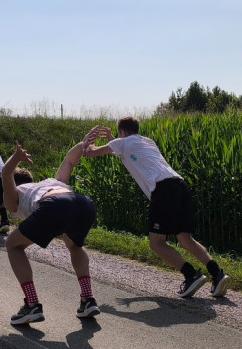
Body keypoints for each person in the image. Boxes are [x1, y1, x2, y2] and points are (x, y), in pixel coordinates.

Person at [84, 117, 229, 298]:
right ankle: (217, 274)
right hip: (179, 185)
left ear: (122, 132)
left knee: (157, 243)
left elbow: (90, 153)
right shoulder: (146, 141)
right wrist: (113, 139)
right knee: (185, 239)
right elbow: (126, 151)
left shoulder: (122, 143)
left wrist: (86, 142)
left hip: (163, 189)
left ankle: (191, 275)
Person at [1, 136, 100, 325]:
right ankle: (88, 299)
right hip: (82, 203)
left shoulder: (13, 195)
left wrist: (15, 158)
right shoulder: (49, 182)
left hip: (54, 206)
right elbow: (69, 161)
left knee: (12, 245)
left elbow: (6, 175)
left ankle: (32, 304)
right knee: (75, 246)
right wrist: (82, 144)